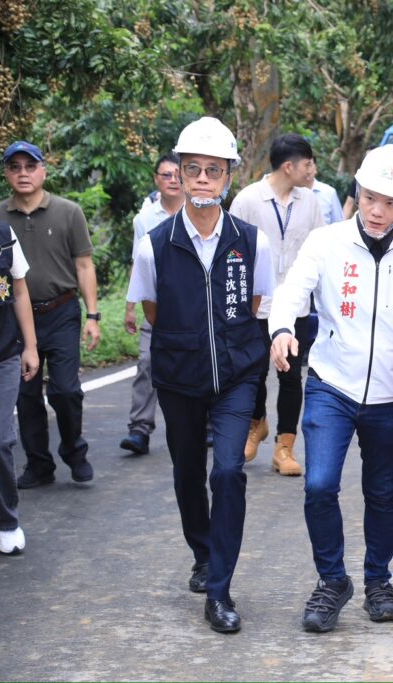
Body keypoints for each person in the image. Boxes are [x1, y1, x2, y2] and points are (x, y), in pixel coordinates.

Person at [269, 144, 393, 632]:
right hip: (332, 385)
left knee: (381, 492)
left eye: (390, 202)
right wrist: (281, 329)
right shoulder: (327, 243)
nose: (378, 211)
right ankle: (331, 581)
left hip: (392, 395)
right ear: (357, 193)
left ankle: (378, 582)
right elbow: (293, 291)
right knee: (320, 484)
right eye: (369, 198)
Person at [127, 117, 275, 632]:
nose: (204, 179)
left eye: (215, 170)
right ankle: (202, 550)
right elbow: (151, 308)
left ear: (229, 176)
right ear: (181, 175)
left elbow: (257, 305)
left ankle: (219, 590)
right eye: (195, 170)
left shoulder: (251, 241)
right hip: (179, 374)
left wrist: (231, 349)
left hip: (238, 375)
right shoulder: (155, 242)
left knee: (228, 471)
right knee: (188, 471)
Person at [0, 141, 100, 489]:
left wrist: (93, 316)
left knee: (66, 391)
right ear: (7, 173)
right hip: (14, 318)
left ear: (43, 170)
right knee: (24, 395)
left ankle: (75, 451)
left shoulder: (68, 212)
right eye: (15, 167)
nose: (23, 173)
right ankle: (39, 465)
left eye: (30, 166)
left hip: (61, 311)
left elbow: (84, 265)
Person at [229, 134, 324, 476]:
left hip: (295, 306)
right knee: (252, 373)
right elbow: (232, 250)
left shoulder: (310, 201)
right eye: (308, 163)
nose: (312, 169)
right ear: (289, 166)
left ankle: (285, 447)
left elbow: (320, 247)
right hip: (256, 304)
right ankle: (258, 423)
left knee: (290, 377)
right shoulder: (248, 200)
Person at [120, 154, 184, 456]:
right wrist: (130, 306)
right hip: (155, 304)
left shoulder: (198, 211)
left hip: (192, 304)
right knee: (147, 361)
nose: (172, 180)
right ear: (156, 179)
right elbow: (138, 264)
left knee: (198, 362)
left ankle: (208, 423)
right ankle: (140, 428)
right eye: (166, 175)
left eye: (176, 175)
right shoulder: (144, 219)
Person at [0, 221, 39, 554]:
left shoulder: (2, 234)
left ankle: (6, 521)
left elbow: (19, 290)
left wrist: (31, 346)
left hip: (1, 355)